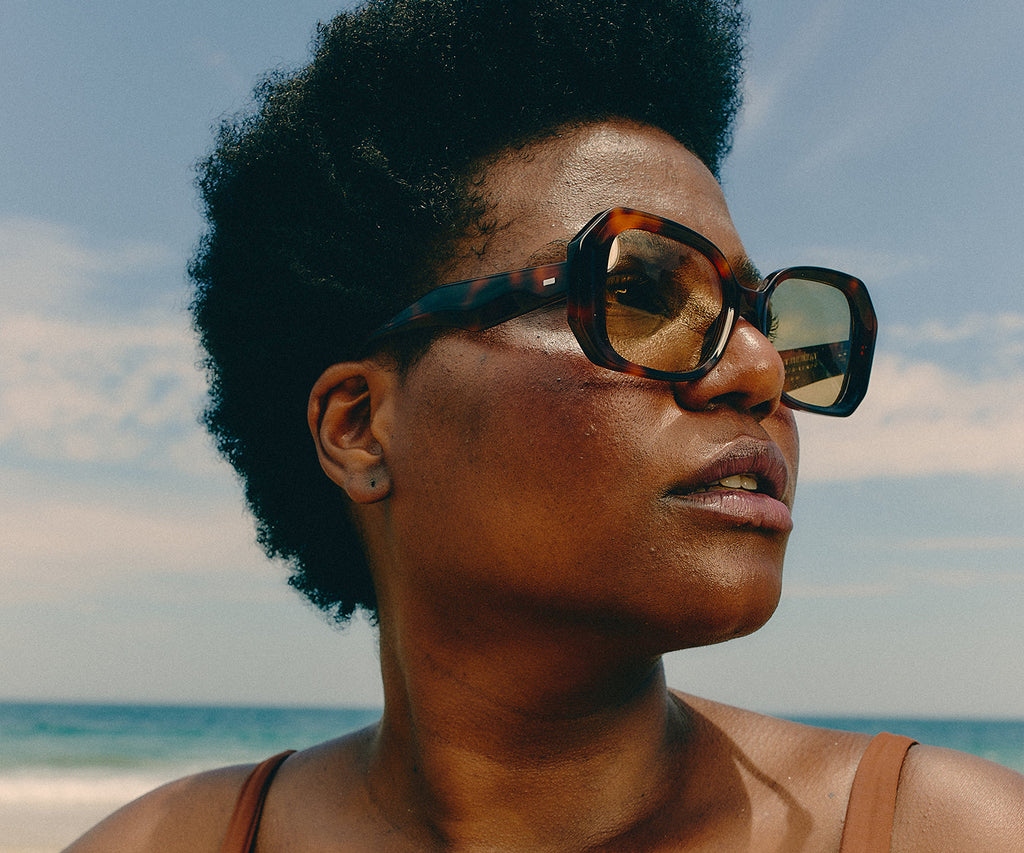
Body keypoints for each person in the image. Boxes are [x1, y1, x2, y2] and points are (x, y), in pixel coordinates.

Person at [67, 0, 1023, 850]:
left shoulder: (952, 832)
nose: (760, 367)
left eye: (764, 318)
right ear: (358, 427)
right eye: (642, 293)